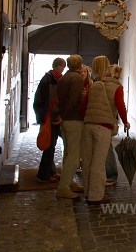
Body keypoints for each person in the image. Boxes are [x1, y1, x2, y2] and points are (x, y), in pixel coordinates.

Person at [81, 64, 130, 205]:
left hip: (88, 124)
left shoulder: (96, 84)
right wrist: (125, 122)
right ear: (118, 75)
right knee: (98, 162)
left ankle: (87, 192)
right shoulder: (117, 87)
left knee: (87, 160)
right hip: (103, 127)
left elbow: (85, 104)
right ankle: (95, 196)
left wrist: (85, 118)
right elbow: (120, 106)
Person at [55, 54, 86, 199]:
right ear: (80, 65)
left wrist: (61, 115)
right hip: (73, 119)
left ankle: (68, 181)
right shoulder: (77, 78)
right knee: (74, 155)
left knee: (67, 153)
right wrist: (65, 114)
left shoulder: (64, 77)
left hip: (66, 120)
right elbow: (73, 100)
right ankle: (63, 187)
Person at [33, 57, 66, 183]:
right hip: (49, 117)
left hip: (51, 116)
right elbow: (42, 100)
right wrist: (44, 116)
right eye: (62, 66)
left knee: (51, 146)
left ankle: (50, 171)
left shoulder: (53, 78)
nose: (63, 69)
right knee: (49, 146)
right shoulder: (50, 79)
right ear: (57, 66)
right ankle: (43, 175)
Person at [91, 55, 118, 186]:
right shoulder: (109, 81)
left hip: (104, 119)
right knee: (105, 146)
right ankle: (107, 173)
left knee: (106, 147)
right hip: (107, 118)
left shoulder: (103, 82)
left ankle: (111, 174)